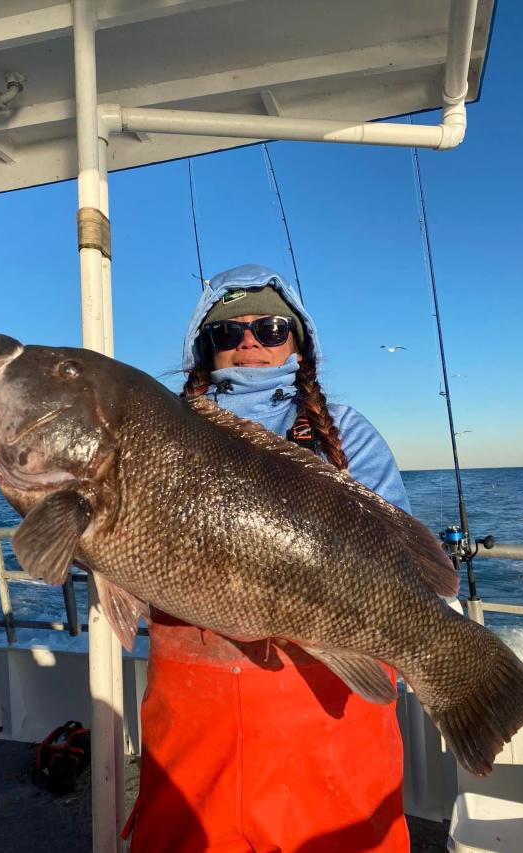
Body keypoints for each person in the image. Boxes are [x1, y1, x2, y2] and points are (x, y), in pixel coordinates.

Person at [122, 263, 411, 852]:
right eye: (226, 333)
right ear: (204, 351)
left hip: (329, 715)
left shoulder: (347, 434)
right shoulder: (154, 430)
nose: (249, 342)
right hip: (195, 729)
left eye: (272, 328)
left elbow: (402, 560)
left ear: (299, 344)